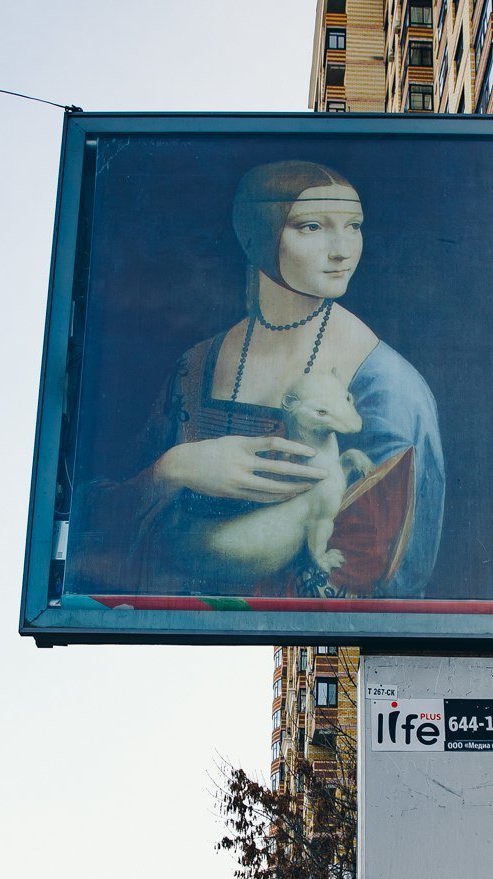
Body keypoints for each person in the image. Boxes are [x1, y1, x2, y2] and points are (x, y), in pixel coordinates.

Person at [74, 159, 444, 599]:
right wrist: (172, 469)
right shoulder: (195, 367)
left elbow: (376, 576)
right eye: (312, 227)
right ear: (257, 234)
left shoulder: (387, 387)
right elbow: (90, 530)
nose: (342, 249)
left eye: (354, 226)